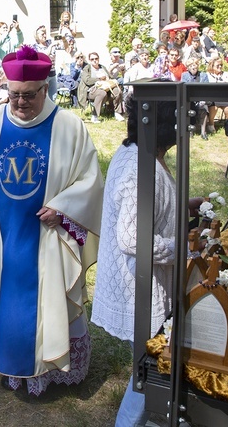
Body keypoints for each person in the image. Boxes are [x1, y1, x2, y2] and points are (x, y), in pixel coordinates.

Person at [0, 45, 104, 396]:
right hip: (2, 237)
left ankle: (55, 371)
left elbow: (90, 179)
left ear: (44, 89)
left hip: (48, 236)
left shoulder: (68, 127)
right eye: (13, 95)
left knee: (51, 299)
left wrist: (63, 206)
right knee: (10, 299)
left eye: (28, 95)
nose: (19, 102)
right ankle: (16, 369)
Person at [91, 97, 198, 427]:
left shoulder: (143, 153)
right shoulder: (140, 167)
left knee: (149, 367)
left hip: (141, 282)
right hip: (137, 287)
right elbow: (132, 238)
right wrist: (184, 247)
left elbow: (150, 210)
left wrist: (185, 207)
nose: (189, 128)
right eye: (185, 121)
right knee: (149, 368)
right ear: (168, 126)